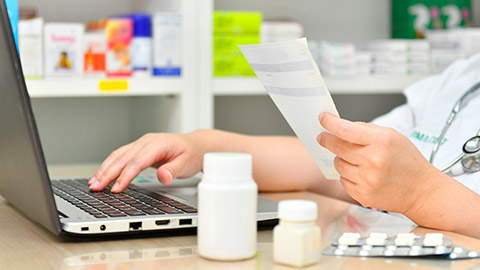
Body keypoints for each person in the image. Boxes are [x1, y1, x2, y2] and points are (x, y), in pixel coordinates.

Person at [89, 52, 480, 239]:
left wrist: (422, 193)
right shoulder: (464, 77)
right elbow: (333, 164)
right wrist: (202, 146)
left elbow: (411, 185)